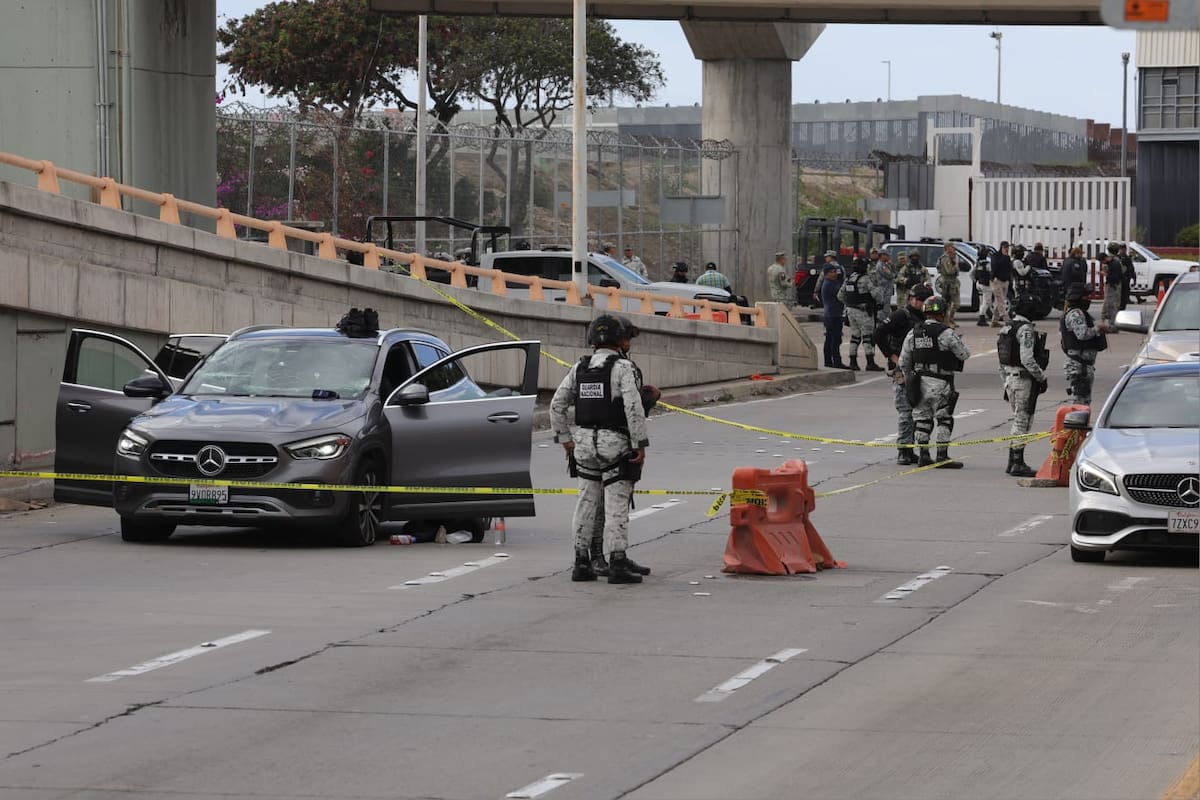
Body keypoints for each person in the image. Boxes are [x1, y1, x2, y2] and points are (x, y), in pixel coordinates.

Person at [550, 314, 653, 584]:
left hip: (583, 444)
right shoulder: (622, 368)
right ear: (619, 339)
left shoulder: (579, 368)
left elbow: (556, 406)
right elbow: (633, 408)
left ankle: (581, 563)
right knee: (616, 504)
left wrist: (566, 440)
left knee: (585, 503)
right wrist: (639, 444)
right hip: (614, 445)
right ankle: (617, 561)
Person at [898, 294, 971, 469]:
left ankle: (923, 455)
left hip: (918, 381)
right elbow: (964, 354)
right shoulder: (945, 333)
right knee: (944, 419)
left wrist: (910, 379)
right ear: (942, 312)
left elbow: (903, 362)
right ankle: (942, 456)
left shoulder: (913, 332)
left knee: (922, 420)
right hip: (940, 381)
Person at [875, 284, 934, 464]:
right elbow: (878, 333)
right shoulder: (901, 315)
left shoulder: (925, 317)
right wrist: (893, 357)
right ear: (913, 299)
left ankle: (913, 449)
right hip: (902, 370)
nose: (925, 304)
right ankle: (904, 450)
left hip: (921, 369)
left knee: (922, 411)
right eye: (922, 301)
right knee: (906, 411)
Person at [997, 293, 1050, 477]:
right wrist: (1041, 377)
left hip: (1010, 379)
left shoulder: (1007, 328)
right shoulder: (1025, 329)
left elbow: (1002, 359)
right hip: (1023, 380)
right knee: (1022, 421)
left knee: (1018, 419)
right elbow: (1027, 358)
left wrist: (1005, 381)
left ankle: (1012, 462)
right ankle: (1017, 462)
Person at [1060, 283, 1109, 406]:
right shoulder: (1076, 314)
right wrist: (1098, 328)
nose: (1088, 300)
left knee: (1084, 403)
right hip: (1079, 365)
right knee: (1079, 405)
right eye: (1086, 297)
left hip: (1083, 366)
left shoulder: (1078, 313)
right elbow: (1082, 334)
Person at [838, 256, 884, 371]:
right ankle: (870, 362)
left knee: (855, 336)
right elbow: (877, 296)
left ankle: (853, 362)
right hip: (864, 312)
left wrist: (850, 303)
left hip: (850, 311)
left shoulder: (849, 278)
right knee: (867, 337)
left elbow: (840, 296)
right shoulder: (866, 279)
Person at [820, 256, 848, 369]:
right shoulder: (829, 284)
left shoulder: (833, 282)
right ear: (826, 273)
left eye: (835, 271)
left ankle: (829, 361)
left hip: (833, 314)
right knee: (834, 340)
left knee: (831, 339)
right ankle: (836, 361)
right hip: (832, 315)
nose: (835, 273)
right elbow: (841, 295)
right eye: (832, 272)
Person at [935, 242, 962, 328]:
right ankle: (946, 322)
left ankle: (951, 319)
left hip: (954, 283)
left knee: (956, 303)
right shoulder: (945, 258)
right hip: (947, 284)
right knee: (948, 303)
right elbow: (949, 271)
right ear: (947, 248)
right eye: (951, 247)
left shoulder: (953, 257)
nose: (953, 248)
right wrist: (955, 265)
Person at [990, 241, 1014, 327]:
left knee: (1000, 301)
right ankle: (1006, 319)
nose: (1006, 249)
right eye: (1005, 247)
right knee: (1000, 300)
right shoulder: (995, 256)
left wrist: (1009, 280)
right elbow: (995, 266)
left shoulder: (1007, 257)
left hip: (1005, 281)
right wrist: (1003, 257)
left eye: (1007, 247)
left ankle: (994, 320)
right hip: (997, 281)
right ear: (1001, 247)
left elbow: (1009, 268)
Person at [1100, 243, 1123, 329]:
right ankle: (1111, 322)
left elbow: (1107, 273)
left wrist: (1106, 274)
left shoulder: (1111, 261)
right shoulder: (1119, 259)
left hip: (1112, 284)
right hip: (1117, 284)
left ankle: (1109, 322)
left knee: (1109, 303)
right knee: (1115, 303)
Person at [974, 252, 994, 326]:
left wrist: (976, 280)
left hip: (979, 284)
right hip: (986, 284)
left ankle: (982, 317)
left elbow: (971, 273)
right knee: (987, 302)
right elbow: (992, 273)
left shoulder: (977, 263)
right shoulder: (988, 264)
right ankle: (981, 318)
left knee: (982, 302)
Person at [1118, 243, 1134, 310]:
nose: (1122, 250)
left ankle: (1122, 308)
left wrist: (1132, 277)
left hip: (1126, 281)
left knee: (1124, 297)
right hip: (1119, 281)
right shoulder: (1118, 258)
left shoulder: (1128, 258)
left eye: (1124, 249)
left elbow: (1131, 269)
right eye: (1121, 249)